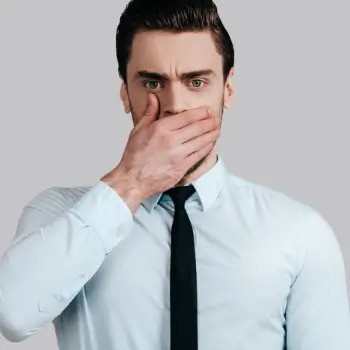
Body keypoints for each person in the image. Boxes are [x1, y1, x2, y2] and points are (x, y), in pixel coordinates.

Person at [0, 0, 349, 349]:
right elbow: (13, 315)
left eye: (196, 82)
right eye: (153, 83)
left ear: (227, 89)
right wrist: (132, 181)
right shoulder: (61, 214)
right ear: (125, 92)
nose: (175, 105)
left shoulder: (299, 232)